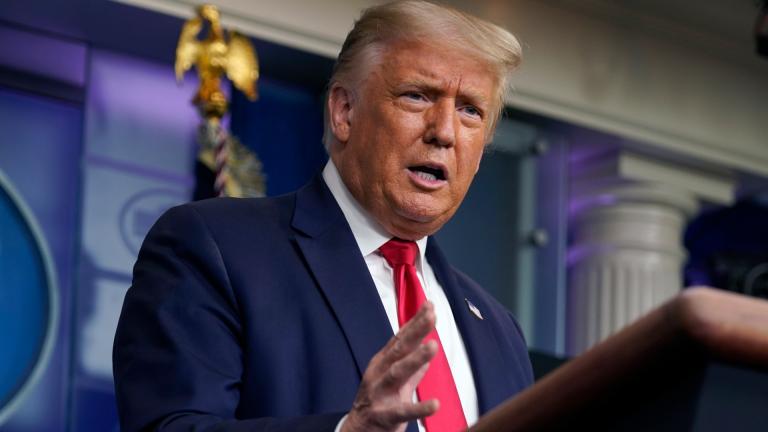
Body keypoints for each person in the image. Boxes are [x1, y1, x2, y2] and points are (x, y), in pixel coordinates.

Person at [113, 1, 534, 431]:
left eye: (470, 111)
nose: (444, 131)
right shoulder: (214, 247)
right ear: (344, 112)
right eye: (417, 95)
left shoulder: (500, 333)